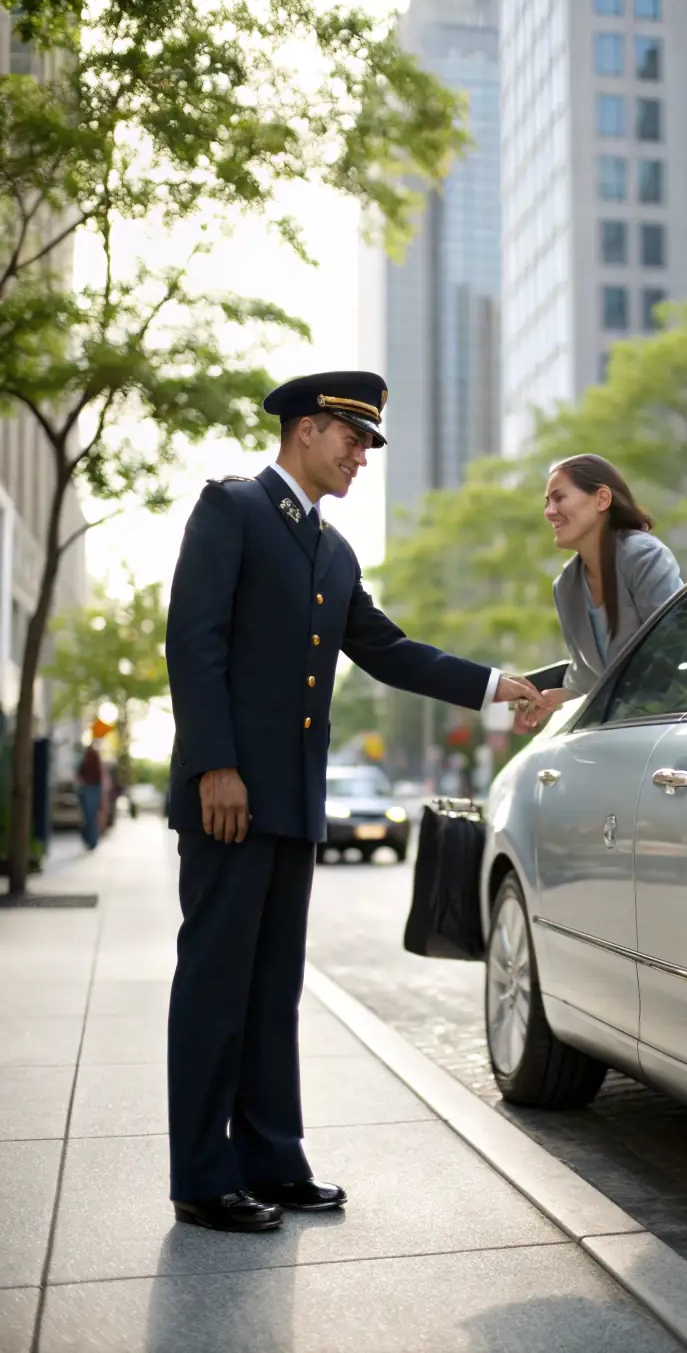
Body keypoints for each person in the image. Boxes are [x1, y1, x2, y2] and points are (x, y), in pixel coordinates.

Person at [164, 370, 542, 1234]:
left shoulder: (333, 553)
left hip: (294, 803)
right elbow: (195, 642)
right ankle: (202, 1173)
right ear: (305, 429)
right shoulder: (232, 509)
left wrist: (496, 684)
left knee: (272, 988)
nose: (362, 456)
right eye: (352, 438)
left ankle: (273, 1158)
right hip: (229, 798)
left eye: (369, 444)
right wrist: (213, 766)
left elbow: (387, 649)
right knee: (217, 985)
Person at [515, 454, 683, 733]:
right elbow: (588, 680)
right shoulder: (566, 586)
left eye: (559, 498)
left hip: (662, 728)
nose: (549, 511)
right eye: (547, 502)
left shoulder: (643, 556)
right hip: (611, 735)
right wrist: (559, 699)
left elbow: (673, 652)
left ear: (602, 499)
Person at [76, 736, 103, 850]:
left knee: (89, 816)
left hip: (89, 787)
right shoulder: (93, 757)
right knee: (90, 816)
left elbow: (82, 772)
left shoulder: (90, 757)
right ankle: (90, 840)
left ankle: (90, 840)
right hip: (91, 787)